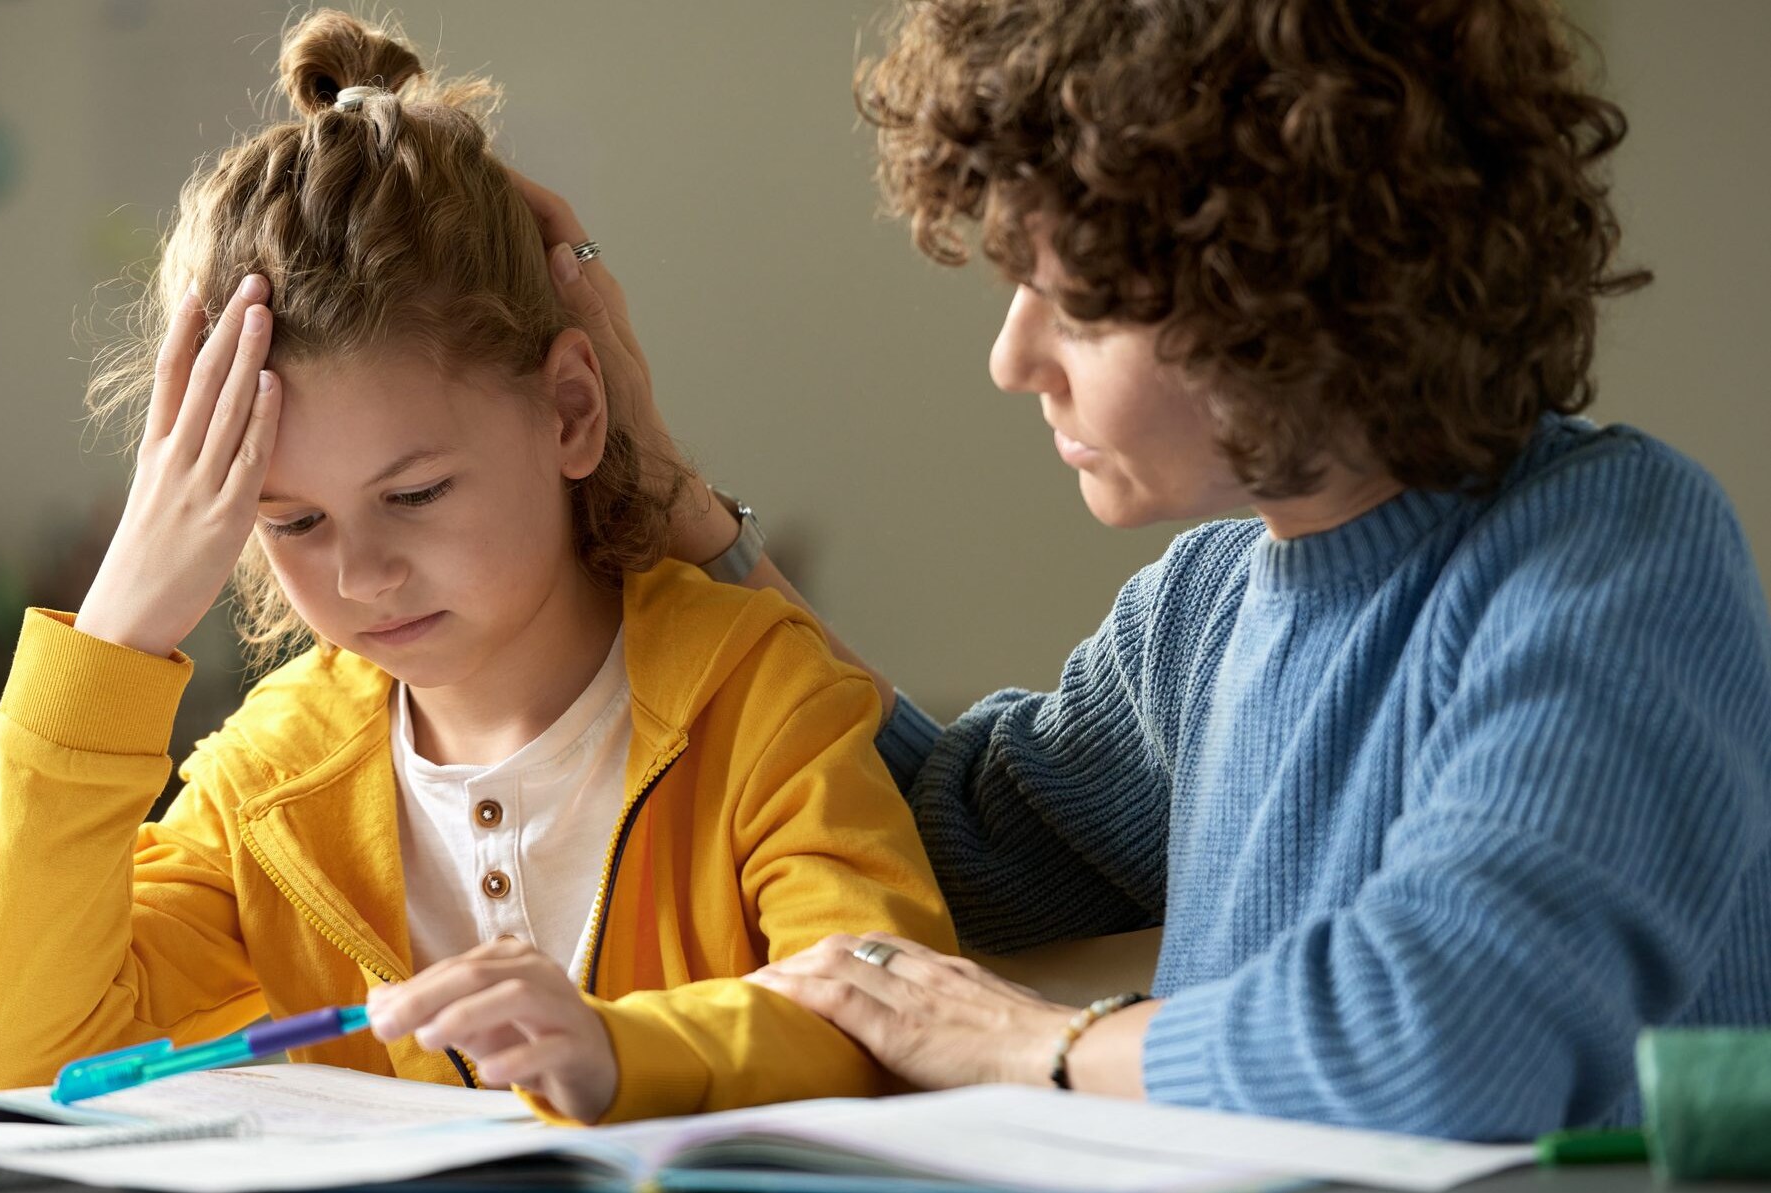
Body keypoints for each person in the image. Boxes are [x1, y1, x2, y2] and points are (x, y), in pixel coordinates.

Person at [515, 0, 1771, 1141]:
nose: (1014, 358)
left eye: (1082, 303)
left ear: (1292, 286)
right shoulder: (1202, 607)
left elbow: (1451, 1040)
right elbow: (928, 823)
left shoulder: (1615, 552)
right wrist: (660, 479)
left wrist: (1030, 1042)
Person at [0, 9, 954, 1126]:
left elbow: (893, 1019)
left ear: (572, 409)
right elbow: (25, 1051)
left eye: (415, 494)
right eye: (291, 522)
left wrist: (620, 1049)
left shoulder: (761, 693)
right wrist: (120, 626)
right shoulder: (265, 785)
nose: (365, 572)